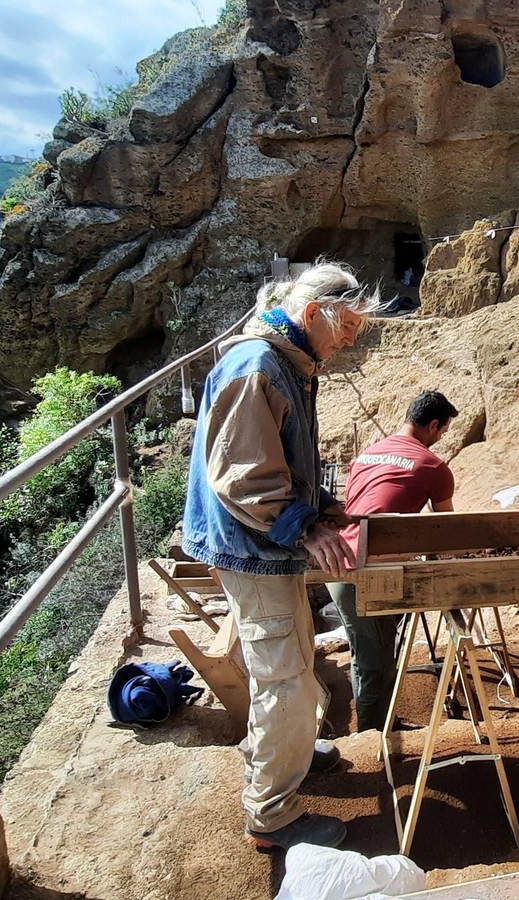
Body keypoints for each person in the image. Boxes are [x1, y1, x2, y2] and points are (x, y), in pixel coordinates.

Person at [181, 262, 376, 850]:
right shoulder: (256, 367)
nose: (350, 341)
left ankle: (281, 750)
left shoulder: (286, 362)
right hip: (251, 544)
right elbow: (244, 479)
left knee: (288, 652)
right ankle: (270, 814)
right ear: (313, 314)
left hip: (262, 542)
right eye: (346, 329)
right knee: (285, 679)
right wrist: (302, 526)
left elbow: (280, 460)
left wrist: (319, 506)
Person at [332, 390, 459, 733]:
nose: (439, 439)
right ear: (433, 425)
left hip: (339, 561)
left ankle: (385, 724)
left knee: (379, 652)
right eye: (443, 432)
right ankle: (370, 739)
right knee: (371, 661)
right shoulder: (433, 466)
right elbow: (449, 531)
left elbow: (363, 507)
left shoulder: (366, 454)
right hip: (371, 570)